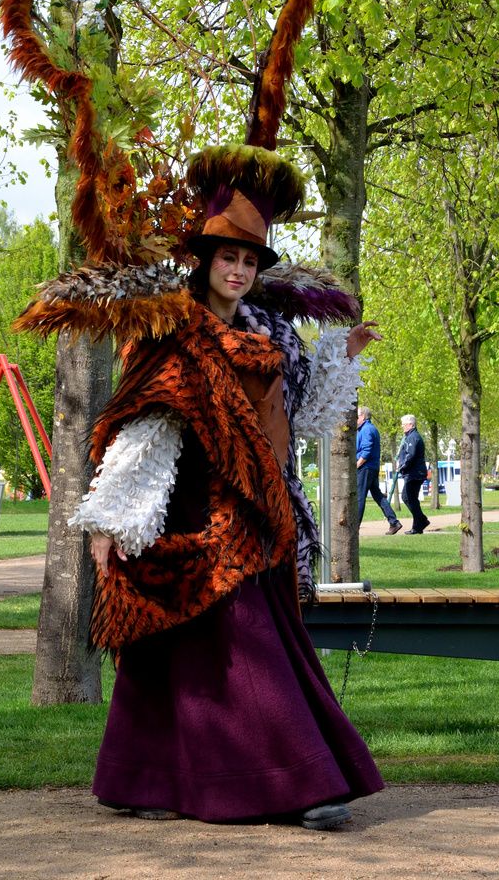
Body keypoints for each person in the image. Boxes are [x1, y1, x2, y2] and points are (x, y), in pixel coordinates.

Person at [65, 145, 385, 831]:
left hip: (260, 511)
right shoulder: (172, 331)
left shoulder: (273, 337)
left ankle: (147, 778)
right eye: (228, 259)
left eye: (248, 262)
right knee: (214, 651)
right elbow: (143, 426)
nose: (238, 271)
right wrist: (108, 523)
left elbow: (294, 421)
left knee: (221, 651)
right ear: (204, 261)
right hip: (191, 513)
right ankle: (294, 784)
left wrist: (343, 355)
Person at [356, 407, 400, 533]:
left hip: (366, 468)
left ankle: (355, 528)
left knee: (360, 497)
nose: (355, 419)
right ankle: (394, 522)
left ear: (363, 417)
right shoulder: (370, 429)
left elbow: (366, 450)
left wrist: (358, 464)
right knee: (378, 496)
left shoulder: (366, 430)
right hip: (372, 467)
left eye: (357, 416)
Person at [398, 414, 430, 534]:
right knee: (411, 499)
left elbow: (410, 455)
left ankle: (419, 524)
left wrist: (402, 467)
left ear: (411, 425)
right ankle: (421, 521)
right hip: (415, 473)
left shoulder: (412, 437)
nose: (402, 426)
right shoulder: (411, 437)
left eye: (404, 424)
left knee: (408, 498)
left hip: (414, 474)